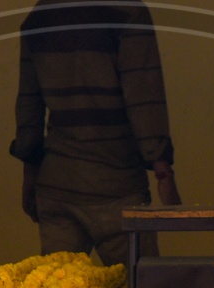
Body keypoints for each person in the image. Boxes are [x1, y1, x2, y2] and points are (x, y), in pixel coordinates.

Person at [11, 0, 180, 266]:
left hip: (57, 186)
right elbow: (145, 98)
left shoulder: (40, 16)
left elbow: (29, 105)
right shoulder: (128, 12)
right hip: (117, 187)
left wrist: (30, 176)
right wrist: (163, 171)